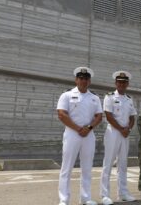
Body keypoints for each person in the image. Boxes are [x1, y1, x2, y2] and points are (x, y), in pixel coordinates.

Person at [57, 67, 103, 205]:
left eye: (86, 79)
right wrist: (78, 128)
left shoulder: (94, 97)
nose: (83, 81)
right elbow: (61, 114)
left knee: (87, 167)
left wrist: (88, 128)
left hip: (88, 134)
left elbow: (99, 116)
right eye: (81, 78)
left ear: (89, 81)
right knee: (67, 167)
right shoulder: (67, 95)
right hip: (72, 133)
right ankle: (64, 199)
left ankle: (85, 198)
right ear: (76, 80)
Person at [100, 71, 137, 205]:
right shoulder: (109, 97)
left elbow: (132, 117)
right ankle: (105, 195)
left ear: (127, 84)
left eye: (124, 82)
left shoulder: (129, 99)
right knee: (108, 163)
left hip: (125, 134)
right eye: (119, 82)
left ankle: (123, 193)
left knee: (123, 164)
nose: (121, 84)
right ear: (116, 83)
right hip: (113, 133)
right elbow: (108, 116)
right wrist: (121, 129)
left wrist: (128, 129)